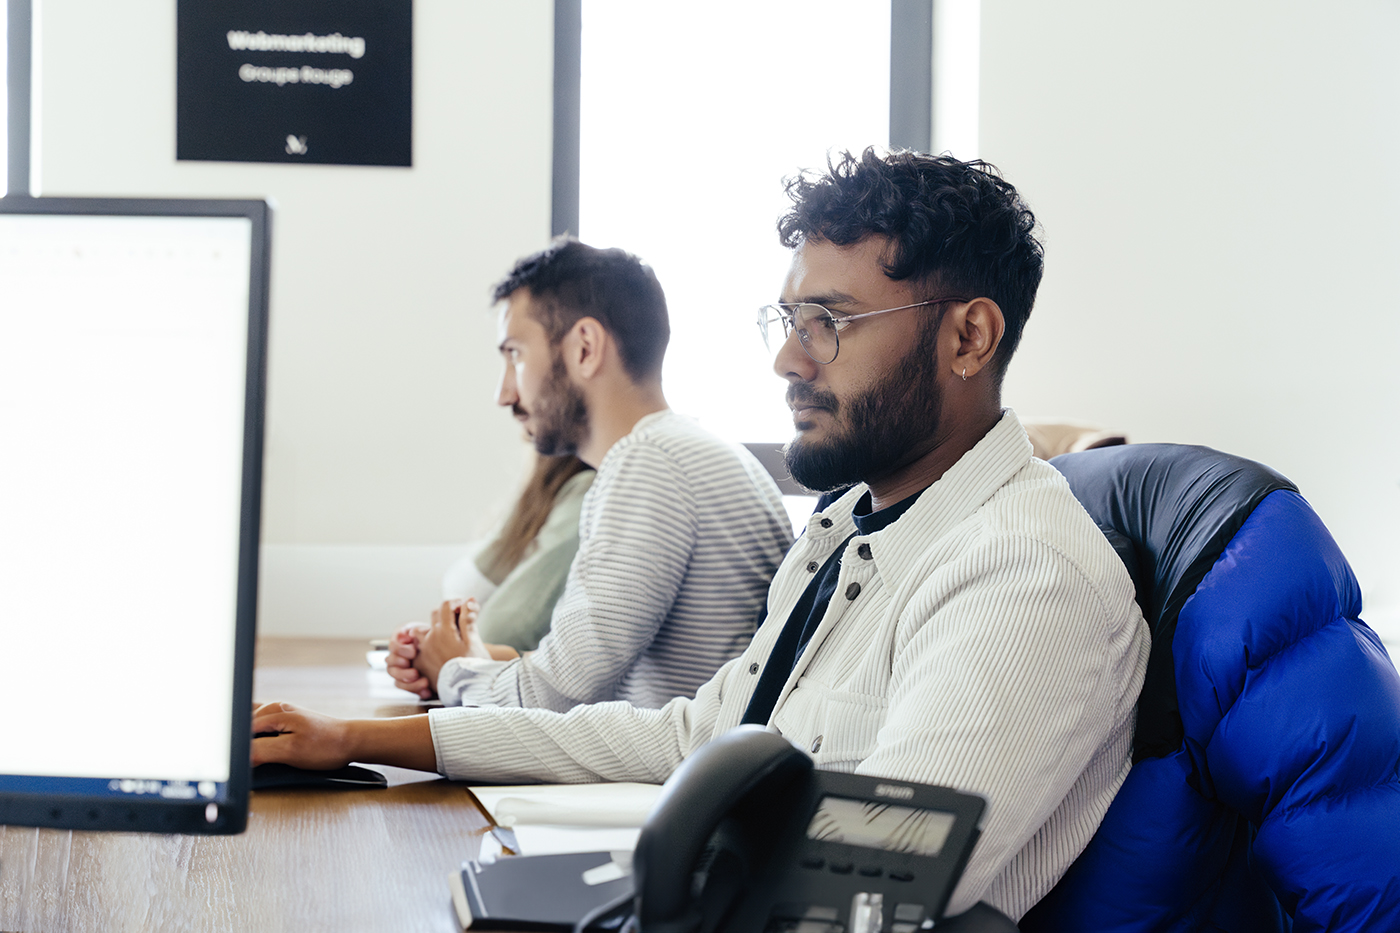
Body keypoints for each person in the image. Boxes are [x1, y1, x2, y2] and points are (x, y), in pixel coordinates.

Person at [253, 149, 1149, 921]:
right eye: (789, 320)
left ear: (969, 337)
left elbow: (872, 883)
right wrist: (357, 738)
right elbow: (686, 734)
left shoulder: (1023, 572)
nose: (787, 359)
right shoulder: (851, 529)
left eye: (828, 323)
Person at [385, 239, 793, 710]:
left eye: (515, 354)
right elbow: (592, 673)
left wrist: (454, 672)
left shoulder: (649, 462)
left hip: (661, 780)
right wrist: (465, 656)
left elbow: (558, 696)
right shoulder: (694, 452)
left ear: (584, 348)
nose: (503, 393)